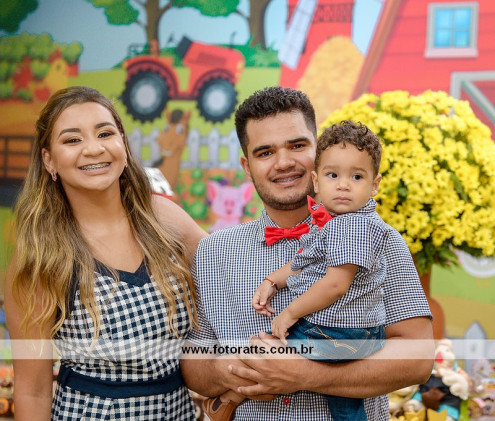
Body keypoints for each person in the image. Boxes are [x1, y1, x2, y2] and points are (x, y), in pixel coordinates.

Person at [181, 86, 434, 420]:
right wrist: (238, 369)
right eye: (265, 152)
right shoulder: (213, 252)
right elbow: (194, 364)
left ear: (318, 151)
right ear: (247, 166)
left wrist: (305, 375)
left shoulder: (379, 239)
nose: (284, 162)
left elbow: (418, 358)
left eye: (297, 146)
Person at [5, 86, 207, 420]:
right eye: (73, 140)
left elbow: (228, 275)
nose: (94, 148)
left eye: (105, 133)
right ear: (49, 159)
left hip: (177, 410)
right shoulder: (42, 255)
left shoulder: (162, 217)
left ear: (123, 145)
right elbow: (32, 389)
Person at [203, 120, 392, 421]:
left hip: (343, 334)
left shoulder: (353, 225)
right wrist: (272, 281)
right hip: (340, 334)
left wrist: (288, 314)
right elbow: (304, 262)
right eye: (333, 175)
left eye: (356, 176)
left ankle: (232, 397)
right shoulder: (333, 223)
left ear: (374, 184)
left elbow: (335, 284)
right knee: (334, 395)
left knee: (270, 351)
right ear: (318, 180)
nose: (343, 185)